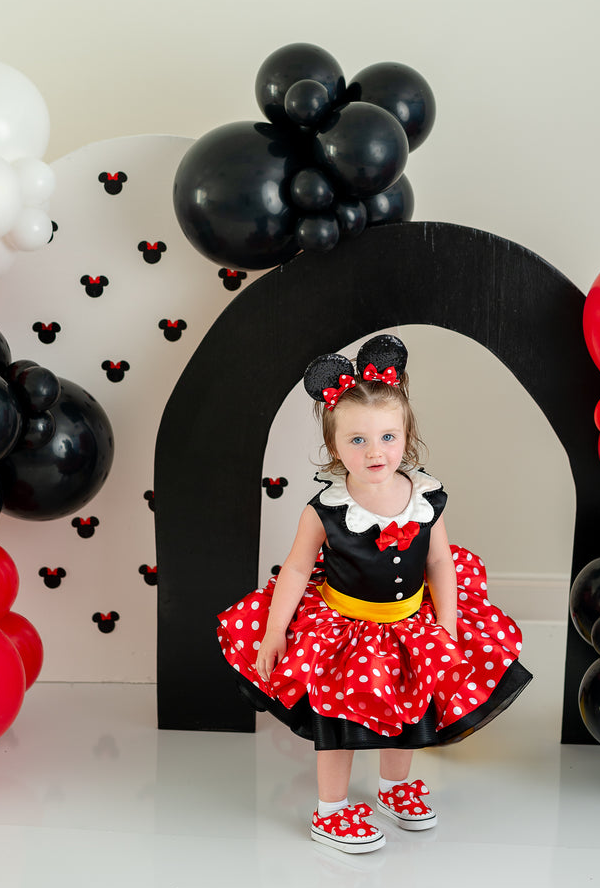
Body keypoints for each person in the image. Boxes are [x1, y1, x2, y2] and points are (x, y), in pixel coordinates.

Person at [217, 333, 531, 853]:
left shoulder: (426, 498)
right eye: (357, 440)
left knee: (408, 710)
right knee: (337, 721)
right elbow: (296, 571)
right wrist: (275, 631)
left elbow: (440, 564)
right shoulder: (324, 510)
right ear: (334, 447)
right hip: (346, 629)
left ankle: (393, 787)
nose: (375, 451)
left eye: (387, 436)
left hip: (410, 624)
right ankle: (331, 810)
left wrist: (447, 626)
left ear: (407, 435)